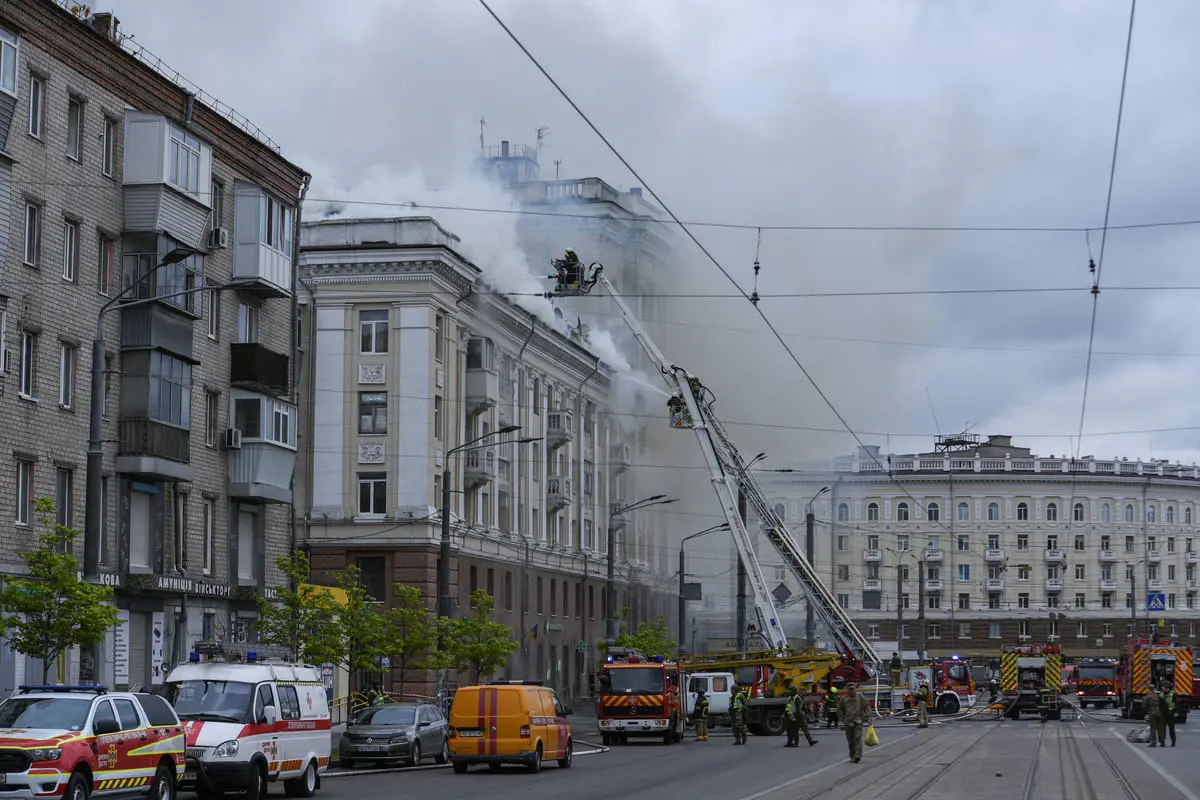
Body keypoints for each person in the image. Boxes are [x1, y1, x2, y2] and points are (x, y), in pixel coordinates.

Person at [837, 682, 871, 764]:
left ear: (855, 689)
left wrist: (868, 718)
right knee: (851, 741)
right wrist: (842, 719)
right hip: (848, 722)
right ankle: (852, 756)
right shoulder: (844, 699)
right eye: (850, 689)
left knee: (857, 738)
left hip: (858, 721)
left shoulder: (860, 697)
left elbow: (866, 707)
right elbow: (840, 710)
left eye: (853, 689)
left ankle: (857, 755)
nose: (851, 691)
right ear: (847, 690)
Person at [1161, 682, 1178, 747]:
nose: (1162, 688)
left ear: (1166, 688)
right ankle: (1163, 742)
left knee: (1171, 729)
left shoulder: (1173, 694)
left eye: (1163, 687)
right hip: (1163, 714)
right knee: (1163, 729)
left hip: (1171, 714)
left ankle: (1173, 742)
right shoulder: (1161, 694)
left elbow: (1177, 704)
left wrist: (1176, 712)